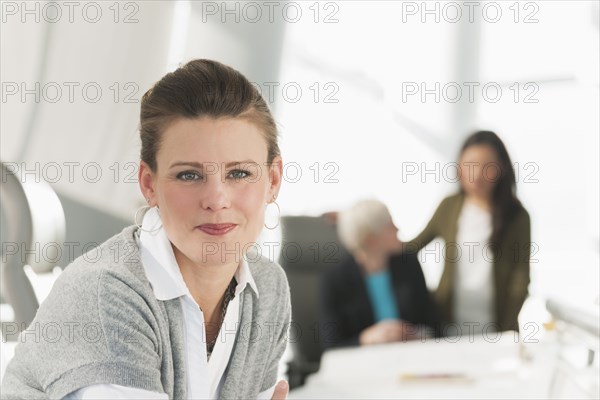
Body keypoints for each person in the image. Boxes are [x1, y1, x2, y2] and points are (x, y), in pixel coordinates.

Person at [1, 59, 291, 399]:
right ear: (149, 184)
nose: (216, 199)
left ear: (272, 180)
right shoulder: (107, 293)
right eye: (189, 175)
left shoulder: (268, 290)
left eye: (239, 173)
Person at [405, 130, 531, 335]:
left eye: (486, 167)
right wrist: (368, 226)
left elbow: (520, 278)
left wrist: (506, 330)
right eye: (469, 165)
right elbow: (411, 248)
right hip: (449, 325)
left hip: (496, 328)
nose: (477, 175)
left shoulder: (517, 216)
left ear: (501, 169)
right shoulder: (449, 206)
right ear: (459, 168)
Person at [320, 200, 439, 349]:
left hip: (411, 358)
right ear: (371, 240)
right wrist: (365, 339)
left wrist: (417, 335)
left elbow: (434, 323)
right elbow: (331, 345)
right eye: (389, 225)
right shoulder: (335, 280)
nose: (397, 228)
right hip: (364, 365)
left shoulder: (409, 264)